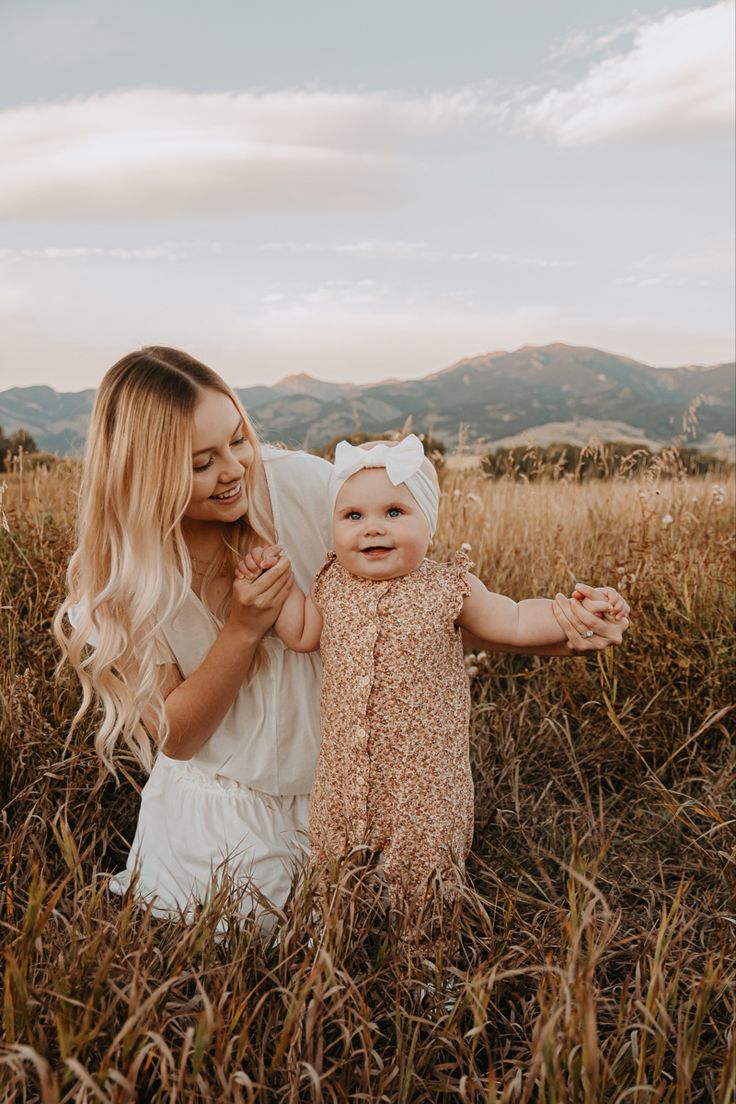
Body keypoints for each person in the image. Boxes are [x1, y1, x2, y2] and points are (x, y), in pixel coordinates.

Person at [55, 348, 630, 931]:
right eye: (201, 462)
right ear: (141, 474)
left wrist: (571, 630)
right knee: (238, 953)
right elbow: (177, 738)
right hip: (225, 805)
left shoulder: (309, 488)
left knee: (387, 933)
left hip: (358, 789)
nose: (233, 470)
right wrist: (244, 629)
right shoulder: (118, 578)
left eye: (238, 439)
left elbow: (427, 613)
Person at [235, 434, 629, 938]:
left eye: (395, 512)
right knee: (336, 863)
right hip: (342, 776)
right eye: (352, 517)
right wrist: (280, 583)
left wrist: (572, 613)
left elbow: (512, 620)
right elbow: (301, 633)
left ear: (428, 521)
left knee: (423, 875)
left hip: (426, 783)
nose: (373, 527)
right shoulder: (331, 584)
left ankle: (425, 967)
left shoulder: (449, 587)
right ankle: (337, 943)